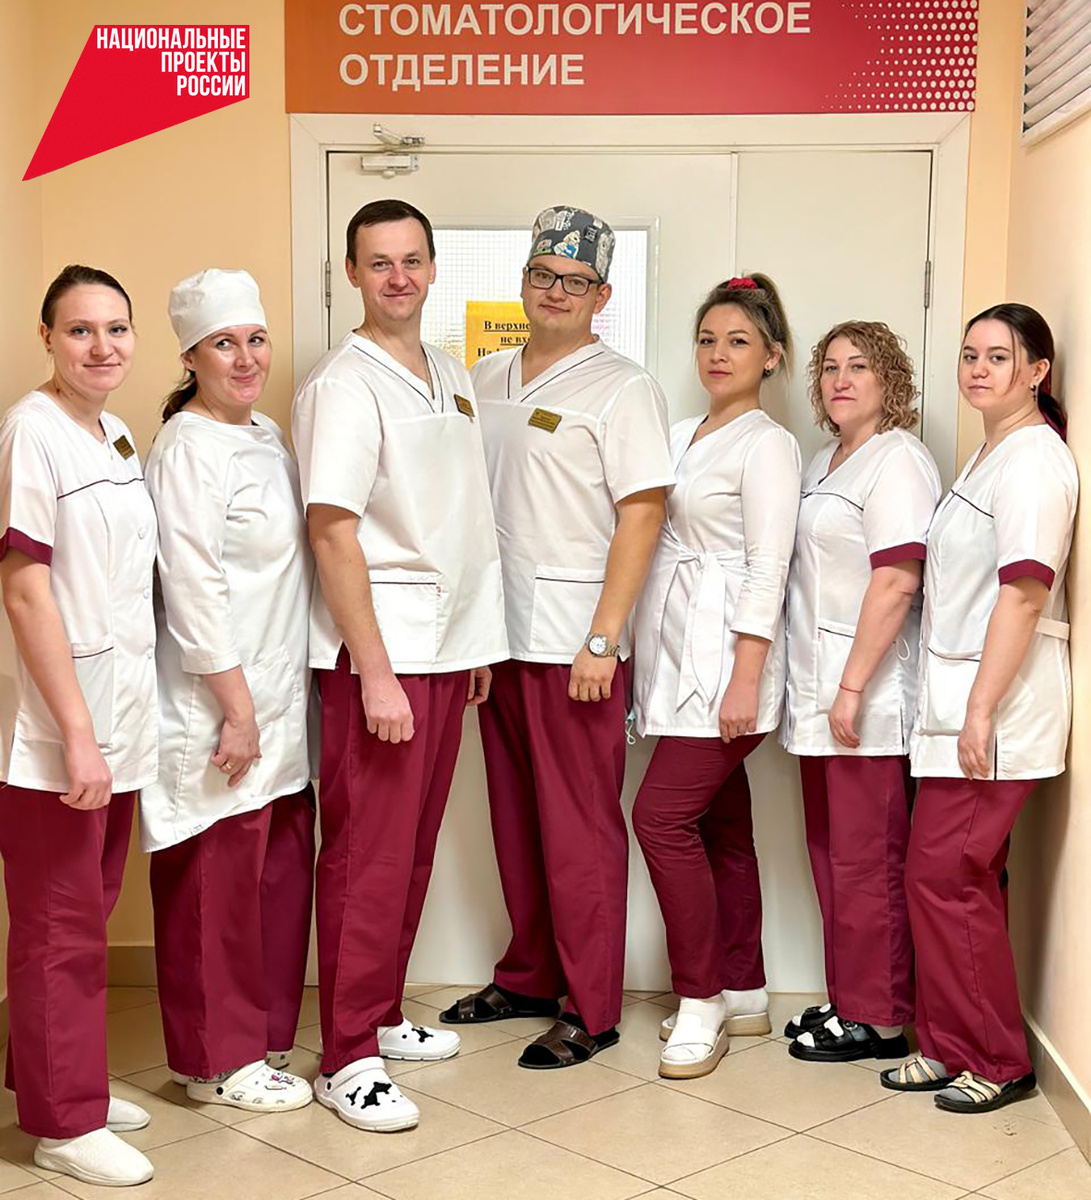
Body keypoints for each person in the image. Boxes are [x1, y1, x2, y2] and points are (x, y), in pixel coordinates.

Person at [441, 205, 674, 1069]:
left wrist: (603, 640)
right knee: (514, 821)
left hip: (575, 646)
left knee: (579, 832)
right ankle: (530, 976)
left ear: (601, 295)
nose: (555, 292)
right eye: (543, 275)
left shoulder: (622, 388)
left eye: (575, 281)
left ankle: (591, 1007)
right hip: (497, 638)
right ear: (523, 281)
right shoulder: (485, 375)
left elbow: (642, 514)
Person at [292, 199, 508, 1132]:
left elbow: (457, 515)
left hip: (445, 649)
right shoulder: (343, 385)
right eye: (378, 262)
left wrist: (472, 646)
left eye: (412, 259)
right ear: (352, 273)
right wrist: (374, 672)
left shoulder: (449, 374)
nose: (398, 278)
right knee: (366, 858)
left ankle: (378, 1013)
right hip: (380, 656)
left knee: (410, 850)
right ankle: (345, 1057)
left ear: (433, 266)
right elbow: (333, 532)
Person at [882, 304, 1076, 1113]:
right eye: (969, 354)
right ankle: (946, 1045)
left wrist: (980, 709)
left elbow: (1023, 594)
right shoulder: (989, 453)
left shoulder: (1032, 461)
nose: (978, 369)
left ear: (1036, 371)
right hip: (959, 699)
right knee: (946, 879)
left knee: (948, 877)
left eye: (998, 356)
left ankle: (998, 1060)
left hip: (995, 707)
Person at [142, 269, 314, 1113]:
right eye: (223, 344)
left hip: (277, 693)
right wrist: (238, 711)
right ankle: (215, 1062)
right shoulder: (186, 449)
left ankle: (264, 1039)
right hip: (217, 701)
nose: (245, 359)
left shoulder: (268, 434)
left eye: (255, 340)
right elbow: (192, 588)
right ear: (190, 357)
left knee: (270, 876)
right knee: (210, 884)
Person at [0, 265, 157, 1186]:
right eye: (80, 330)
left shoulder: (115, 432)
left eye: (116, 328)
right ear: (47, 338)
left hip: (117, 711)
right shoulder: (32, 431)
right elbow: (25, 590)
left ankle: (60, 1078)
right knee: (59, 927)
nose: (102, 347)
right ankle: (62, 1124)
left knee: (85, 916)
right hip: (59, 732)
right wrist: (77, 734)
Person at [631, 275, 801, 1079]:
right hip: (675, 650)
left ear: (771, 356)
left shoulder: (767, 444)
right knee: (720, 827)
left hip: (729, 661)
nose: (717, 354)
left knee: (659, 819)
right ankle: (743, 989)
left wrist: (745, 676)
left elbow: (768, 566)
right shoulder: (678, 433)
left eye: (737, 341)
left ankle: (699, 999)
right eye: (706, 339)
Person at [782, 321, 941, 1064]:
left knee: (868, 862)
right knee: (830, 854)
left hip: (866, 695)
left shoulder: (898, 460)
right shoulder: (826, 459)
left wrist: (850, 687)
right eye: (830, 368)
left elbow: (898, 579)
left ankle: (878, 1018)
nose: (841, 379)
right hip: (819, 689)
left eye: (859, 366)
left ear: (889, 381)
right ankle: (849, 995)